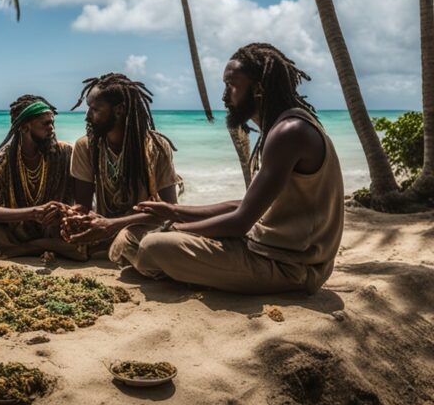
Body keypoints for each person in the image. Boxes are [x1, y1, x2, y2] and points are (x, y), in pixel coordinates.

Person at [117, 43, 343, 295]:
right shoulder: (283, 127)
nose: (225, 96)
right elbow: (246, 205)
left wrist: (176, 228)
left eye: (231, 85)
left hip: (292, 267)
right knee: (136, 236)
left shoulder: (288, 132)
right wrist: (175, 211)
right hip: (272, 252)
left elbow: (239, 222)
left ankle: (169, 267)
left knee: (153, 245)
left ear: (257, 88)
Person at [60, 73, 180, 261]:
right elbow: (83, 205)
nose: (87, 116)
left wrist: (113, 224)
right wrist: (75, 217)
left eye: (95, 109)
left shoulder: (155, 147)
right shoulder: (86, 147)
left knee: (137, 243)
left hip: (141, 227)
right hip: (102, 226)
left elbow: (170, 210)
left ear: (119, 109)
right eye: (88, 108)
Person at [0, 95, 84, 260]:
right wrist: (32, 213)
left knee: (83, 233)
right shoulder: (0, 160)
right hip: (15, 232)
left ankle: (28, 249)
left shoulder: (67, 153)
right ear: (24, 127)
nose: (52, 128)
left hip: (55, 230)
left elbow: (82, 204)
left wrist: (63, 211)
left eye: (53, 123)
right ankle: (39, 247)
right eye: (45, 124)